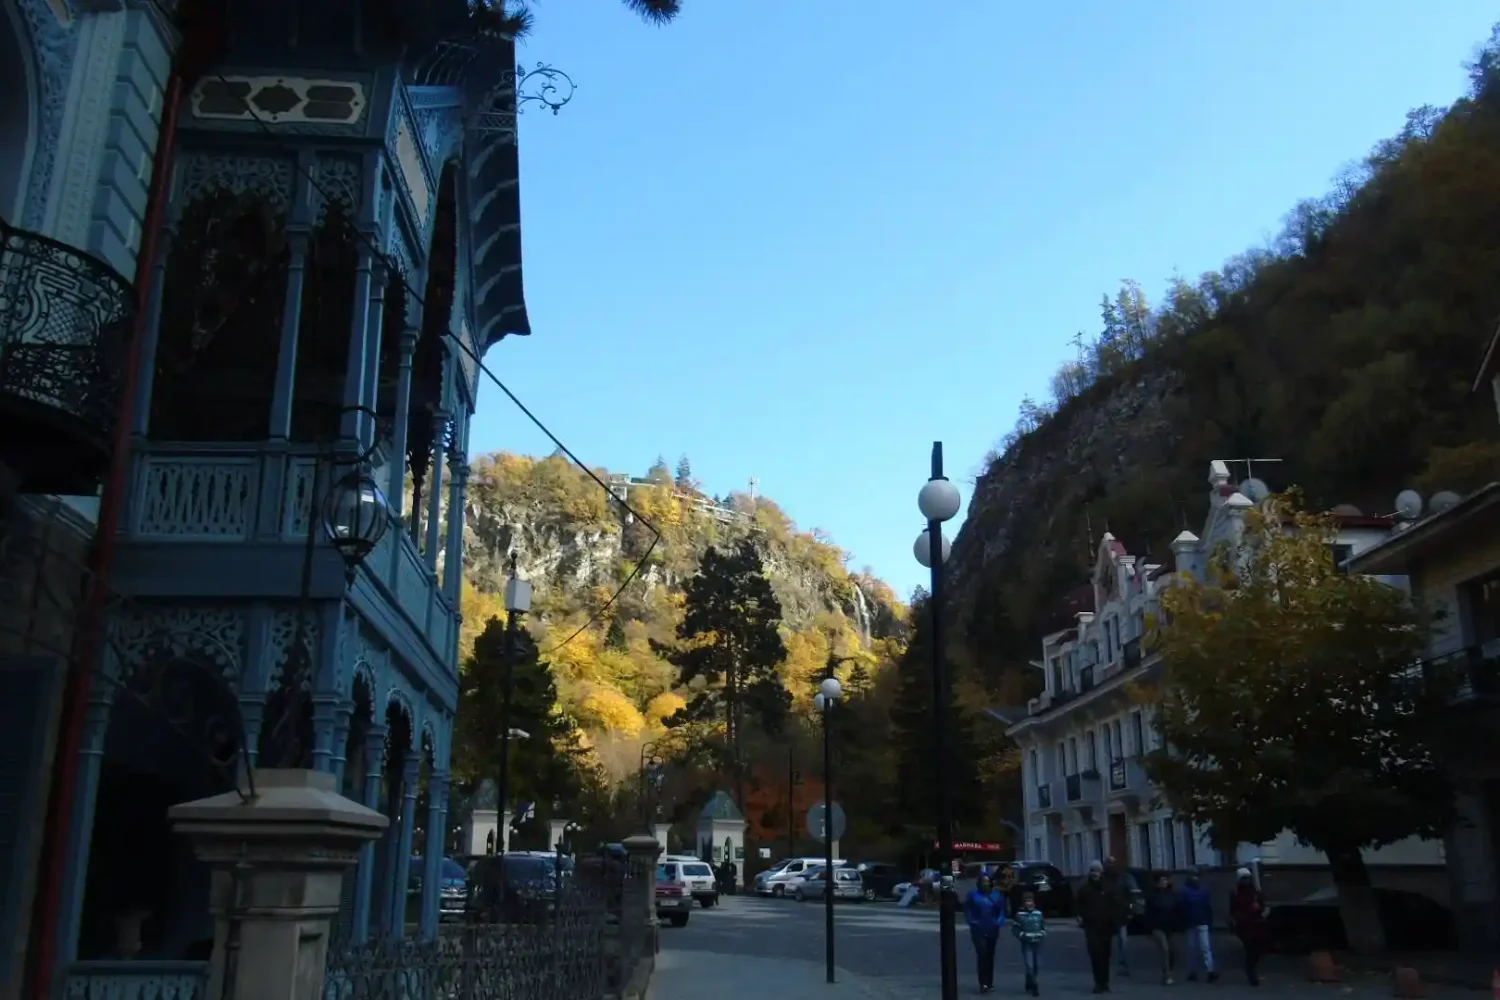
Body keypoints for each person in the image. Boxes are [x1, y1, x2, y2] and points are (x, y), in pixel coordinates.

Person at [1076, 860, 1127, 994]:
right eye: (1092, 871)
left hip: (1106, 927)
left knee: (1105, 955)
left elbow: (1116, 904)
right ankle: (1098, 982)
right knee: (1095, 954)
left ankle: (1105, 982)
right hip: (1091, 926)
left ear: (1101, 872)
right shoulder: (1085, 889)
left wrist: (1117, 920)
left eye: (1097, 871)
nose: (1095, 873)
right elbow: (1078, 905)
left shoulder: (1108, 888)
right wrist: (1080, 916)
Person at [963, 872, 1008, 994]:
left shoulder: (997, 895)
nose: (986, 883)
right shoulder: (973, 895)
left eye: (988, 881)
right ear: (979, 883)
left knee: (989, 955)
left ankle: (989, 982)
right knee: (982, 954)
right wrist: (972, 921)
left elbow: (1002, 911)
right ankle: (982, 982)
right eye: (984, 881)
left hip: (992, 928)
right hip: (978, 929)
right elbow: (967, 910)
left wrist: (998, 922)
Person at [1228, 867, 1268, 986]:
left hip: (1256, 925)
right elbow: (1232, 910)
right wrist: (1238, 918)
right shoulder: (1235, 893)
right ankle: (1252, 976)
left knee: (1257, 951)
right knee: (1250, 951)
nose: (1246, 881)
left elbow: (1262, 905)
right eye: (1244, 878)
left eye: (1248, 878)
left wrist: (1259, 908)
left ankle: (1252, 971)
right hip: (1244, 926)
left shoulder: (1254, 892)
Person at [1178, 867, 1218, 983]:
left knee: (1202, 948)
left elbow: (1207, 907)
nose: (1195, 878)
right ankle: (1197, 971)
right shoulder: (1196, 890)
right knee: (1196, 948)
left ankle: (1207, 971)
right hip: (1194, 922)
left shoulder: (1188, 891)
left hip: (1198, 921)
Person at [1144, 872, 1185, 985]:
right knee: (1165, 948)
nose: (1164, 882)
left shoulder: (1172, 895)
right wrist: (1148, 929)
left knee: (1174, 952)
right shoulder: (1152, 896)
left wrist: (1179, 925)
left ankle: (1167, 970)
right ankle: (1167, 975)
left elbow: (1178, 910)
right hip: (1157, 927)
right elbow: (1148, 913)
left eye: (1166, 880)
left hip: (1170, 928)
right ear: (1157, 882)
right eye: (1162, 880)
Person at [1104, 856, 1137, 977]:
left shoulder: (1122, 878)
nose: (1110, 866)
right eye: (1109, 863)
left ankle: (1122, 963)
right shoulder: (1103, 879)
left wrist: (1129, 910)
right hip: (1107, 914)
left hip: (1120, 913)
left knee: (1122, 940)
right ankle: (1106, 964)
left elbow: (1131, 894)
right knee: (1107, 940)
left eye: (1112, 863)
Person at [1010, 890, 1047, 996]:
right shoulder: (1020, 915)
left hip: (1037, 942)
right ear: (1023, 902)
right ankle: (1035, 986)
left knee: (1036, 965)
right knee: (1029, 964)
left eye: (1030, 901)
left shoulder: (1038, 914)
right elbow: (1015, 929)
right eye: (1026, 901)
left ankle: (1030, 981)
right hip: (1027, 943)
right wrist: (1022, 935)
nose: (1028, 903)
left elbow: (1043, 926)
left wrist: (1042, 933)